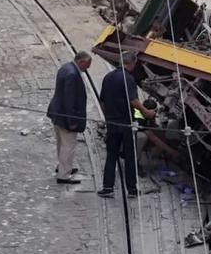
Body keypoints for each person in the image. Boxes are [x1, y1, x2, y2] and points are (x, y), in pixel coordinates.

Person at [97, 51, 155, 199]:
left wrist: (107, 117)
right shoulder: (129, 79)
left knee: (111, 155)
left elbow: (102, 100)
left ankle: (107, 187)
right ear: (132, 64)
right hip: (125, 124)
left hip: (112, 123)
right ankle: (132, 190)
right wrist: (147, 113)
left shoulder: (108, 77)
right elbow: (134, 101)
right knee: (130, 156)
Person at [47, 51, 92, 184]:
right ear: (81, 62)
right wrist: (72, 120)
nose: (87, 68)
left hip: (57, 113)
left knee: (61, 143)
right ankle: (64, 175)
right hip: (66, 117)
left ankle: (63, 167)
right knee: (68, 145)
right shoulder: (72, 74)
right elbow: (69, 100)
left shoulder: (65, 67)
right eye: (87, 65)